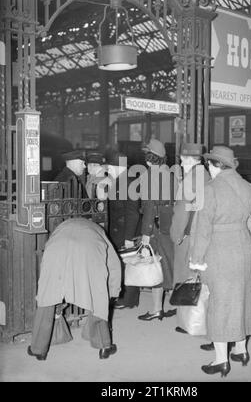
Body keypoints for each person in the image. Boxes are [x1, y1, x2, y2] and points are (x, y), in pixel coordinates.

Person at [188, 145, 251, 377]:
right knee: (242, 298)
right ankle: (241, 350)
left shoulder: (210, 189)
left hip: (219, 251)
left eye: (208, 163)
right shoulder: (249, 188)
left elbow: (202, 228)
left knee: (220, 303)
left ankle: (221, 360)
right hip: (244, 249)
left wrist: (196, 259)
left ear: (213, 164)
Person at [27, 218, 121, 360]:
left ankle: (38, 349)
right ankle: (104, 347)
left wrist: (55, 294)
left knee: (48, 296)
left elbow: (47, 263)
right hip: (89, 249)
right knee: (97, 296)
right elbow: (114, 265)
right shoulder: (98, 231)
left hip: (56, 248)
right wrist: (113, 292)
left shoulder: (61, 227)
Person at [170, 142, 210, 334]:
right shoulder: (206, 175)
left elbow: (181, 211)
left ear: (187, 160)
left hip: (188, 234)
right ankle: (200, 320)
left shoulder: (190, 179)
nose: (180, 162)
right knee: (199, 278)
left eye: (182, 159)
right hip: (202, 233)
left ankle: (189, 322)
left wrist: (176, 235)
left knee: (185, 277)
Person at [138, 139, 176, 321]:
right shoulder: (171, 174)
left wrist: (146, 233)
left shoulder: (149, 175)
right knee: (166, 265)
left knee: (155, 268)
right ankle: (161, 307)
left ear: (150, 158)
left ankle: (156, 309)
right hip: (168, 227)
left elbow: (149, 207)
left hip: (155, 228)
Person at [104, 149, 141, 309]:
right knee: (123, 264)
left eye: (110, 167)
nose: (108, 170)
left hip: (125, 230)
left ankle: (128, 299)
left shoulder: (129, 182)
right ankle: (125, 297)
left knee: (128, 264)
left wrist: (129, 237)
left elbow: (132, 213)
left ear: (118, 167)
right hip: (119, 228)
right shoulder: (120, 180)